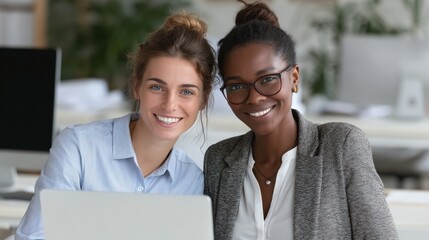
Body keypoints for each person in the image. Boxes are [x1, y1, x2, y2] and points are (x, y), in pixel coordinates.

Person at [203, 1, 399, 239]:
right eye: (236, 86)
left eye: (267, 79)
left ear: (294, 78)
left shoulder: (340, 146)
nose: (254, 98)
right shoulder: (218, 161)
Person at [15, 12, 216, 240]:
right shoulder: (78, 147)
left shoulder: (191, 181)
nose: (170, 104)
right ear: (137, 87)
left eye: (186, 92)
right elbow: (33, 237)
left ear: (203, 100)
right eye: (157, 87)